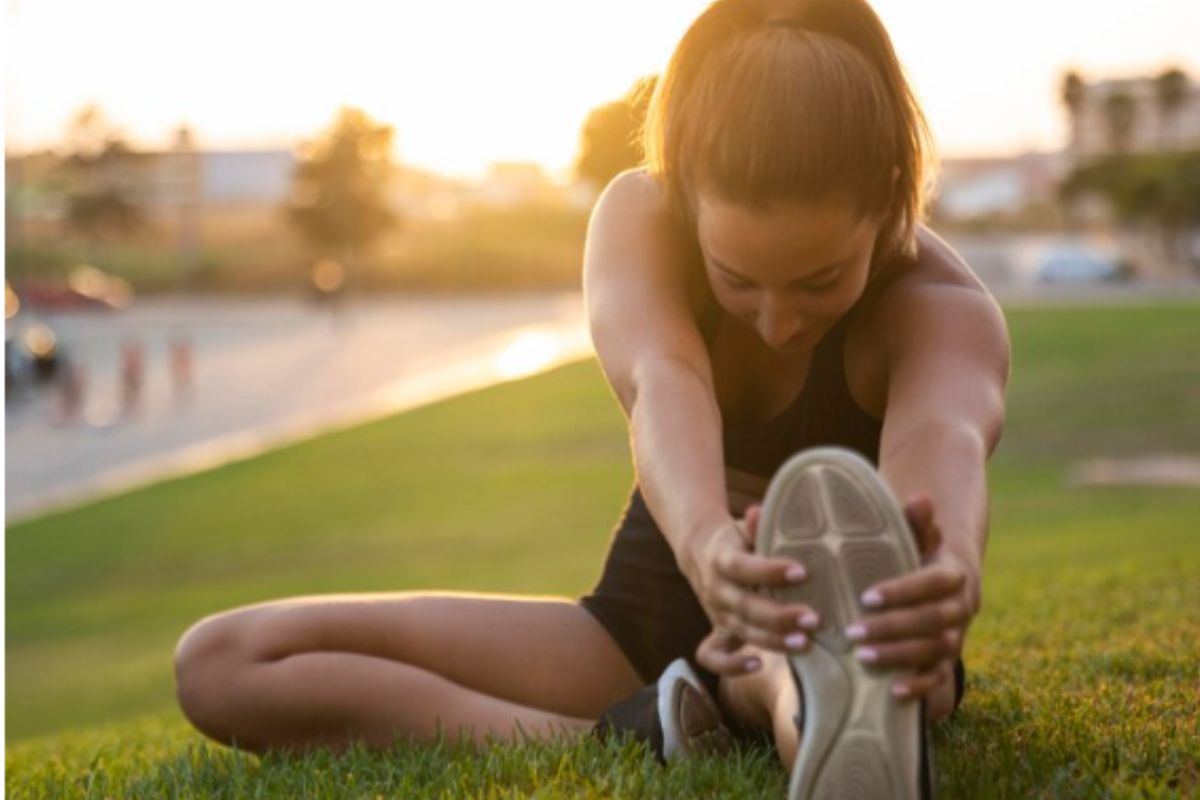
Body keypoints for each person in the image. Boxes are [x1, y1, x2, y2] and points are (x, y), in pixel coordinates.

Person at [173, 0, 1009, 795]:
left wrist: (944, 576)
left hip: (847, 628)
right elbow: (662, 383)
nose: (777, 320)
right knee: (225, 661)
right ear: (686, 193)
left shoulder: (942, 312)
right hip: (636, 630)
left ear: (887, 193)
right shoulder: (641, 217)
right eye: (737, 280)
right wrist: (710, 545)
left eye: (821, 280)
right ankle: (649, 731)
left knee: (814, 669)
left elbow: (942, 448)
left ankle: (799, 696)